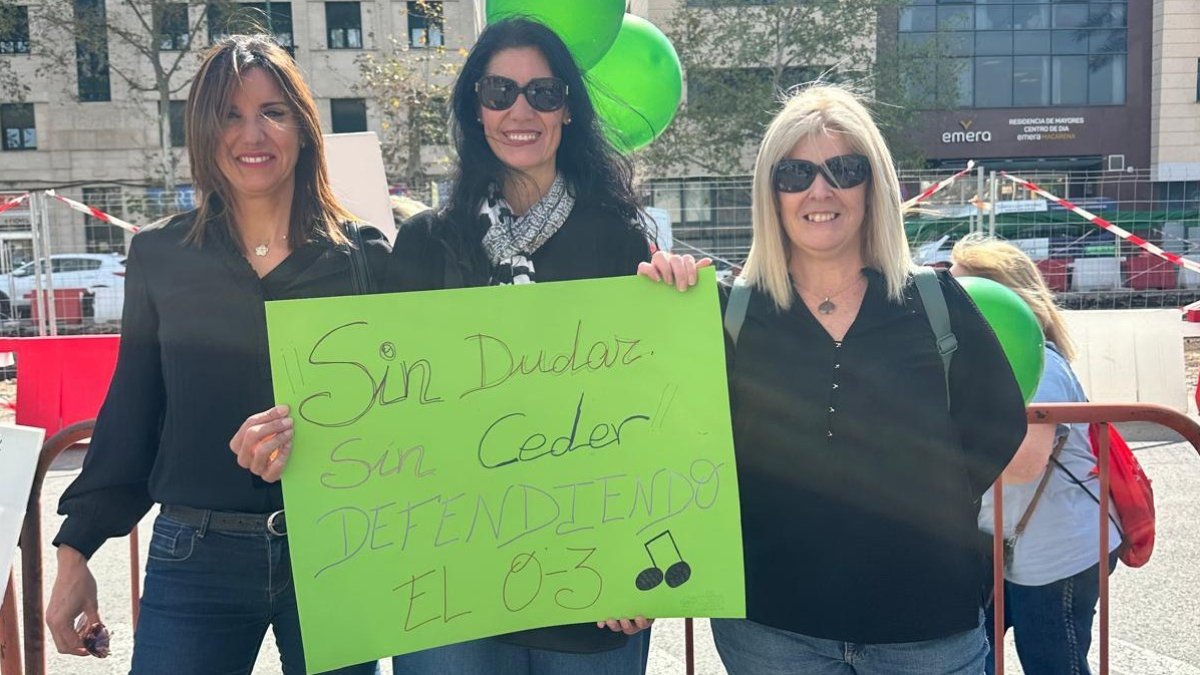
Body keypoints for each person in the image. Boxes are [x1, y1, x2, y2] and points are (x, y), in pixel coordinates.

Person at [229, 18, 667, 675]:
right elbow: (385, 412)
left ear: (568, 109)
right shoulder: (428, 242)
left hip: (592, 591)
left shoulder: (620, 241)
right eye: (499, 92)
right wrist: (293, 435)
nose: (521, 110)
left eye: (543, 93)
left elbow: (654, 411)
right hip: (449, 597)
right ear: (475, 108)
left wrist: (643, 561)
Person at [640, 85, 1027, 674]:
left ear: (874, 187)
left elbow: (997, 426)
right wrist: (661, 300)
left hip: (927, 630)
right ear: (770, 192)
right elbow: (661, 433)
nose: (819, 191)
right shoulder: (726, 315)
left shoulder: (935, 303)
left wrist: (922, 503)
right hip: (772, 631)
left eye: (843, 169)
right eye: (795, 173)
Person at [45, 35, 388, 675]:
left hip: (337, 550)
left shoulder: (364, 259)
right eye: (229, 113)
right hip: (195, 557)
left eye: (272, 111)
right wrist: (75, 554)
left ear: (304, 128)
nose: (251, 132)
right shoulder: (160, 257)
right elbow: (132, 413)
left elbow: (421, 395)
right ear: (203, 131)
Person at [950, 236, 1121, 675]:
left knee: (1052, 661)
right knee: (972, 658)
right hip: (1005, 550)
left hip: (1055, 557)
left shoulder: (1039, 365)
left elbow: (1023, 464)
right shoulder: (978, 368)